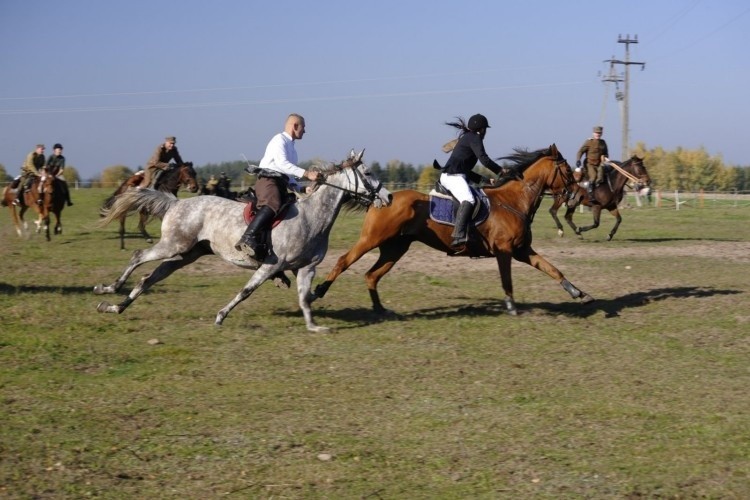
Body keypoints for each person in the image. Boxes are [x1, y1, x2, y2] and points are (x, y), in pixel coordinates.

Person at [234, 113, 320, 260]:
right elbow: (282, 164)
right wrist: (307, 173)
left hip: (280, 183)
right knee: (273, 204)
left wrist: (301, 188)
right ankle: (247, 237)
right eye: (303, 127)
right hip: (268, 181)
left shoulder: (292, 148)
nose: (305, 131)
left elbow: (288, 176)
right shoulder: (279, 140)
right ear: (295, 126)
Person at [439, 114, 504, 249]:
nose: (486, 132)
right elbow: (484, 160)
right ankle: (458, 235)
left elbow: (466, 170)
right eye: (485, 129)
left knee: (474, 196)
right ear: (481, 129)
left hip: (457, 175)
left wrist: (486, 180)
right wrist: (500, 171)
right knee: (469, 199)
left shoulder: (468, 138)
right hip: (452, 176)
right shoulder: (475, 138)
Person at [576, 126, 609, 198]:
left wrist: (605, 157)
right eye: (596, 133)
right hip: (589, 164)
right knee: (593, 177)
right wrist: (578, 160)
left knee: (600, 177)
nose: (598, 134)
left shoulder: (603, 143)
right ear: (593, 133)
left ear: (601, 134)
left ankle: (599, 193)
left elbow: (606, 153)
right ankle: (590, 194)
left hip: (599, 164)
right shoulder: (589, 142)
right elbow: (580, 151)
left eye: (599, 133)